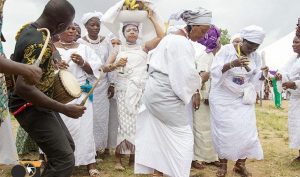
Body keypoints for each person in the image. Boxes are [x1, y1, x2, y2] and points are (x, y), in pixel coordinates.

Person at [9, 1, 86, 177]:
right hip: (29, 106)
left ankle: (29, 173)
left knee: (67, 148)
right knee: (64, 159)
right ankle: (26, 172)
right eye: (66, 26)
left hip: (38, 103)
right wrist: (64, 108)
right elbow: (23, 87)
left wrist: (53, 42)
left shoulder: (32, 30)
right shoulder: (38, 44)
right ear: (59, 25)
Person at [134, 7, 212, 177]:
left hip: (154, 95)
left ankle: (158, 173)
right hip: (165, 98)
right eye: (204, 30)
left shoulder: (170, 39)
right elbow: (184, 78)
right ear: (193, 25)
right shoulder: (180, 43)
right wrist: (201, 79)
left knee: (160, 135)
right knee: (183, 140)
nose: (204, 35)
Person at [102, 9, 164, 171]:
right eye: (129, 30)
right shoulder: (118, 49)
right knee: (124, 125)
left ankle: (136, 158)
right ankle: (118, 160)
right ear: (123, 32)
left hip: (141, 91)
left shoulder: (144, 47)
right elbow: (105, 68)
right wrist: (116, 65)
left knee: (140, 124)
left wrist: (152, 17)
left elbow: (161, 37)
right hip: (123, 90)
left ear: (139, 32)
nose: (132, 32)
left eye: (135, 30)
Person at [209, 25, 267, 177]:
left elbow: (255, 78)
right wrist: (231, 64)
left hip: (242, 97)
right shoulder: (227, 50)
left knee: (248, 132)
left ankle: (240, 165)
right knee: (223, 131)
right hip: (222, 96)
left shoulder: (256, 56)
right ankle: (222, 165)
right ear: (243, 40)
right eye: (250, 46)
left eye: (255, 48)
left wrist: (262, 74)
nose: (252, 50)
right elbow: (214, 71)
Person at [55, 23, 106, 177]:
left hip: (80, 93)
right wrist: (56, 65)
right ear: (58, 30)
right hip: (58, 94)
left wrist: (83, 63)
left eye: (74, 28)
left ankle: (90, 163)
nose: (72, 30)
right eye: (68, 27)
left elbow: (98, 69)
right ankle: (61, 162)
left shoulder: (84, 48)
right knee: (59, 128)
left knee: (85, 129)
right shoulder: (51, 48)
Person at [77, 11, 114, 157]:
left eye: (98, 25)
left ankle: (102, 147)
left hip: (103, 84)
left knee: (102, 117)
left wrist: (112, 83)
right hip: (87, 84)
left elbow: (110, 63)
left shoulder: (106, 41)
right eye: (92, 25)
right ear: (86, 26)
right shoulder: (81, 42)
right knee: (88, 116)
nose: (96, 28)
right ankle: (89, 148)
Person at [192, 26, 221, 169]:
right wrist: (201, 94)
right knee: (201, 128)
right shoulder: (205, 55)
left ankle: (211, 157)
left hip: (214, 98)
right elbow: (201, 76)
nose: (219, 42)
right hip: (203, 97)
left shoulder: (215, 56)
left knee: (211, 128)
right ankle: (198, 158)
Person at [276, 34, 300, 163]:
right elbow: (284, 70)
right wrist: (281, 75)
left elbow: (295, 80)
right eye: (293, 42)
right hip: (296, 99)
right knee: (297, 126)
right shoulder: (293, 58)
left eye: (296, 42)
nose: (293, 44)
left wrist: (295, 84)